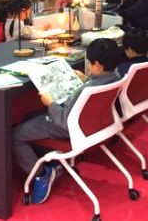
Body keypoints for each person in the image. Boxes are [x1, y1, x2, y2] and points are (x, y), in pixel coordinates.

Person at [12, 38, 121, 204]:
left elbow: (63, 122)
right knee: (28, 118)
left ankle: (42, 175)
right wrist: (87, 79)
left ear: (98, 65)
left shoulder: (87, 89)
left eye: (90, 63)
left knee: (16, 134)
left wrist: (50, 103)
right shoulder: (116, 76)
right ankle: (51, 162)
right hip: (95, 124)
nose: (88, 66)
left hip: (69, 127)